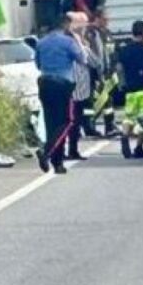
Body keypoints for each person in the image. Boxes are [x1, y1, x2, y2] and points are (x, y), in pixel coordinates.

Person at [35, 14, 86, 174]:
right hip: (62, 85)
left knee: (51, 123)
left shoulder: (41, 43)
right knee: (67, 121)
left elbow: (38, 64)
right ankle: (47, 152)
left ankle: (58, 163)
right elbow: (82, 59)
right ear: (65, 25)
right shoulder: (68, 42)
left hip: (44, 83)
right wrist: (78, 41)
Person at [65, 12, 101, 161]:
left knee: (74, 120)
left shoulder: (79, 40)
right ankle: (70, 150)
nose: (85, 27)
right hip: (75, 88)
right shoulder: (73, 42)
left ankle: (71, 150)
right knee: (72, 121)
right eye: (82, 24)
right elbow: (90, 60)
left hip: (78, 87)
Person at [117, 20, 143, 159]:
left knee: (129, 117)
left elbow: (119, 68)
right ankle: (139, 148)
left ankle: (125, 136)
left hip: (130, 90)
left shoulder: (124, 49)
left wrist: (122, 84)